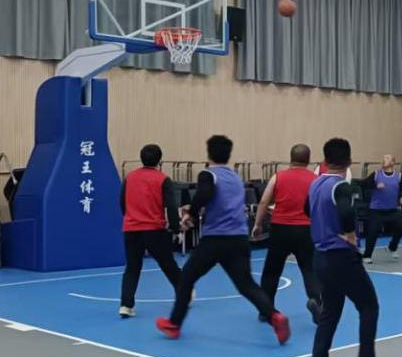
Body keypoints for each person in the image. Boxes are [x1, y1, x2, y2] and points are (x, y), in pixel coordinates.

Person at [155, 135, 290, 344]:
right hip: (239, 238)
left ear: (208, 153)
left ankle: (173, 324)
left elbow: (204, 195)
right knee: (246, 285)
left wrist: (191, 213)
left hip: (216, 238)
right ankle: (274, 315)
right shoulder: (236, 178)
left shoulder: (208, 174)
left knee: (186, 278)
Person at [304, 138, 390, 357]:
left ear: (325, 160)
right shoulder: (342, 186)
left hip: (320, 256)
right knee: (369, 306)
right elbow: (346, 211)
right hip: (341, 257)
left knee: (329, 313)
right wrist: (350, 234)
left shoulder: (315, 184)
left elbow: (307, 209)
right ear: (350, 161)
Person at [252, 144, 321, 324]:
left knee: (272, 271)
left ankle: (266, 310)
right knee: (309, 269)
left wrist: (257, 224)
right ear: (308, 160)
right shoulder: (315, 180)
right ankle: (316, 300)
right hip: (305, 229)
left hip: (280, 228)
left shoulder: (278, 177)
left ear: (291, 158)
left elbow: (264, 201)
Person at [119, 144, 182, 318]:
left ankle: (126, 305)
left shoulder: (129, 178)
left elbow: (122, 202)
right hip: (154, 229)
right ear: (160, 160)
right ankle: (184, 292)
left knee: (132, 268)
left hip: (131, 229)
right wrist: (176, 228)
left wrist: (130, 218)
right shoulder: (163, 179)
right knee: (168, 264)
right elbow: (171, 206)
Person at [362, 154, 402, 264]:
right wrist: (375, 186)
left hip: (392, 210)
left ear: (392, 162)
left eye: (387, 158)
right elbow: (364, 185)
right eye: (383, 158)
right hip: (376, 210)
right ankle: (367, 255)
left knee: (401, 227)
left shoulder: (398, 176)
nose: (384, 160)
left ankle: (392, 247)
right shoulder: (376, 174)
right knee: (373, 232)